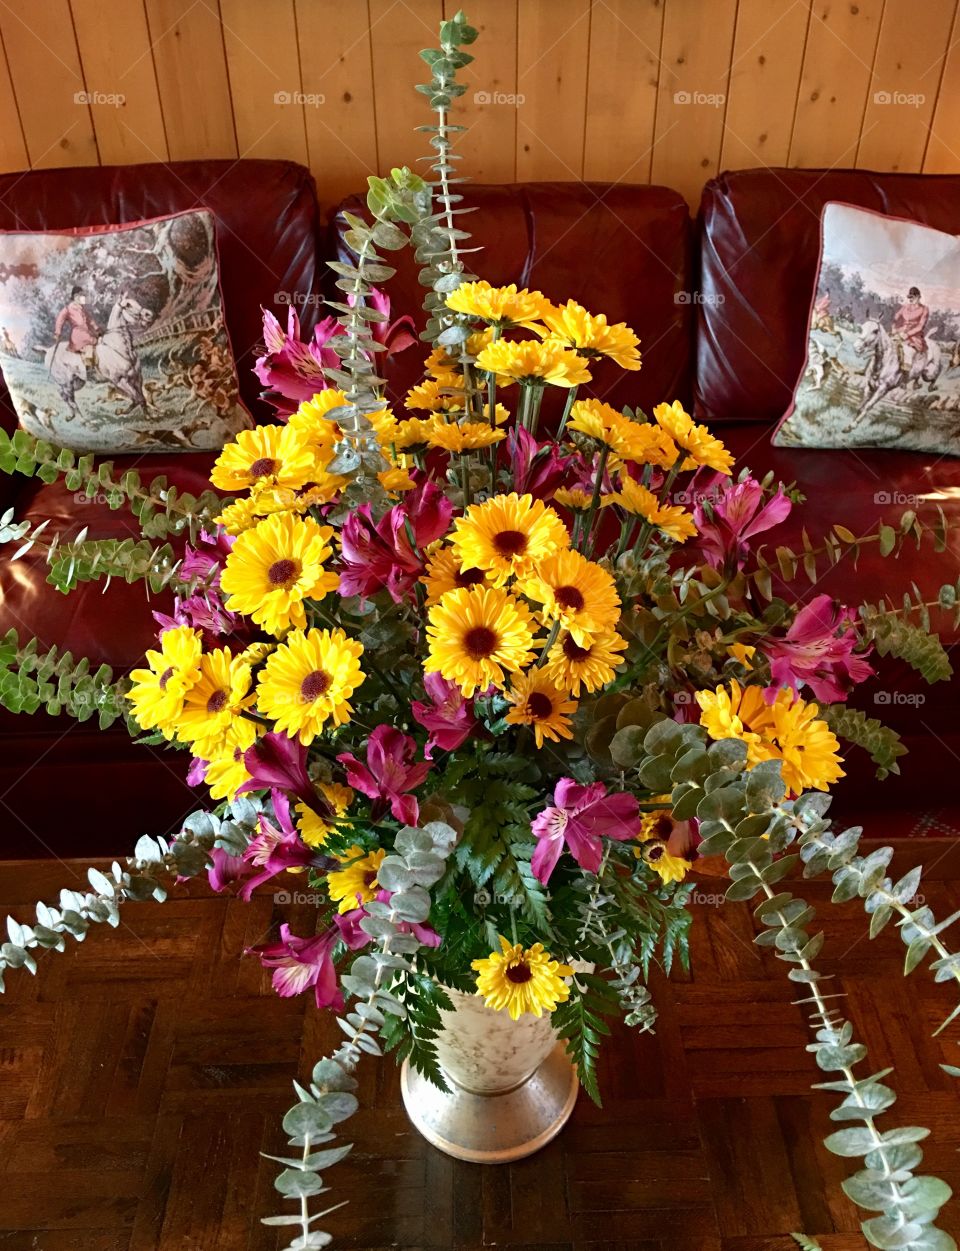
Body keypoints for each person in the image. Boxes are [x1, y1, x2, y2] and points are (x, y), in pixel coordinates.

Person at [54, 285, 99, 366]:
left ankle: (95, 366)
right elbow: (59, 320)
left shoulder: (82, 309)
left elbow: (90, 320)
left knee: (99, 342)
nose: (84, 298)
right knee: (90, 345)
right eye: (82, 296)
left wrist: (97, 328)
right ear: (76, 296)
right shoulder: (68, 309)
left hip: (86, 333)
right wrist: (58, 333)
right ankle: (89, 369)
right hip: (78, 335)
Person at [892, 286, 929, 359]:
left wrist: (907, 334)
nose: (910, 300)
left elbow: (920, 326)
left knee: (909, 352)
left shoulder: (924, 309)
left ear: (918, 297)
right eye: (909, 297)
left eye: (912, 297)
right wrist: (894, 327)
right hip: (901, 332)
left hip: (914, 336)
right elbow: (896, 316)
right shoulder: (906, 307)